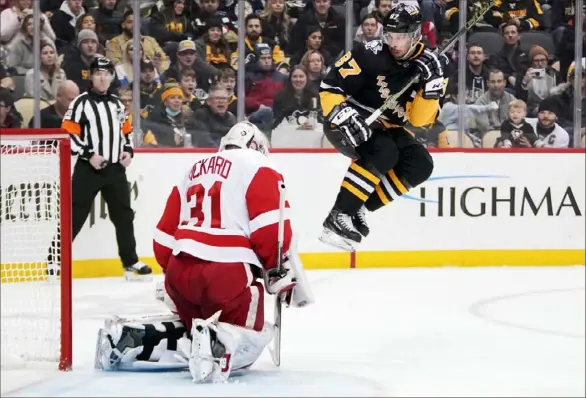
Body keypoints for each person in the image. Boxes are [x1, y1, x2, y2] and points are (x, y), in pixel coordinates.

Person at [95, 121, 314, 383]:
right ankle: (216, 344)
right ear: (258, 147)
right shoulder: (259, 164)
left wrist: (173, 276)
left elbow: (164, 235)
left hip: (179, 270)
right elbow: (270, 227)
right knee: (250, 328)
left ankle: (130, 338)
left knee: (193, 327)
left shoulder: (194, 168)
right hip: (226, 272)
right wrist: (278, 271)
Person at [318, 3, 445, 251]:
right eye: (390, 36)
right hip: (348, 119)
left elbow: (418, 121)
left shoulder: (431, 66)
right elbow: (330, 87)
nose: (393, 43)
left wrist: (431, 87)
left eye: (400, 37)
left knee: (420, 164)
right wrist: (342, 113)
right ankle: (338, 215)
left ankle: (358, 208)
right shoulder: (370, 53)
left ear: (416, 35)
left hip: (387, 126)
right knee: (384, 151)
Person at [54, 57, 152, 280]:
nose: (102, 77)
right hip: (88, 169)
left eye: (107, 73)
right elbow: (68, 131)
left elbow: (125, 131)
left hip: (115, 169)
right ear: (91, 76)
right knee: (75, 215)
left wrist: (128, 150)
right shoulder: (80, 102)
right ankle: (55, 262)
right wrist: (89, 155)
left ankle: (130, 262)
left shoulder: (117, 103)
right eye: (98, 73)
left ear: (111, 76)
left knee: (124, 215)